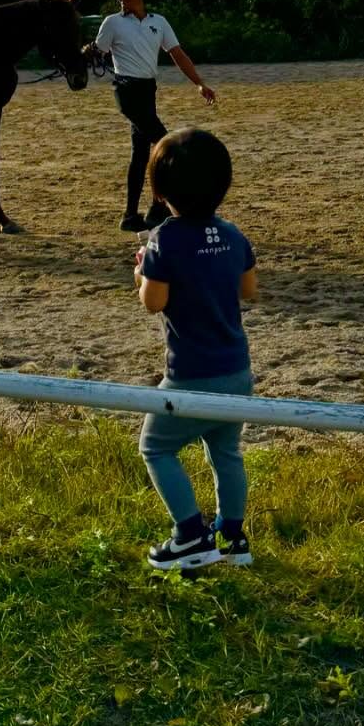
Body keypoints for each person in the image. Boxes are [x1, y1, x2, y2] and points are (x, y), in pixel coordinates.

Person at [134, 128, 257, 572]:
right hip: (237, 370)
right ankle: (233, 537)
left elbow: (154, 302)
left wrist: (140, 273)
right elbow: (249, 289)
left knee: (155, 448)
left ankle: (189, 537)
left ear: (161, 191)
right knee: (225, 452)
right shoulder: (232, 233)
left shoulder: (163, 240)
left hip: (190, 376)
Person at [91, 0, 216, 232]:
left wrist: (199, 83)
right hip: (125, 91)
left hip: (148, 91)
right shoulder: (112, 23)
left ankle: (130, 215)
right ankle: (160, 207)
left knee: (140, 155)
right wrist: (84, 53)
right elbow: (96, 53)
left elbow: (177, 54)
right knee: (166, 144)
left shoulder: (159, 22)